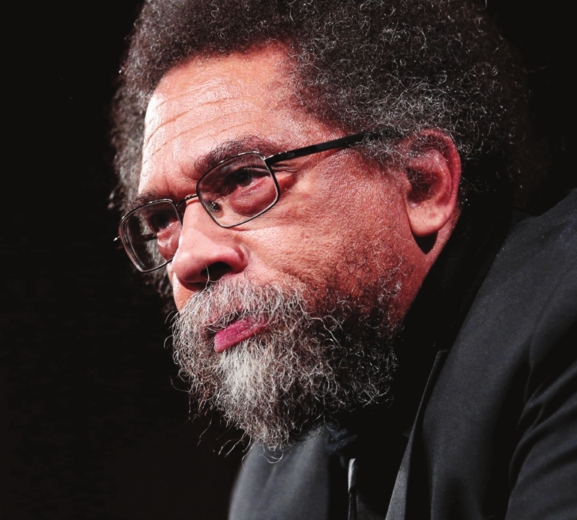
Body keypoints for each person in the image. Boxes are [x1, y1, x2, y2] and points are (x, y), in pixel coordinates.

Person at [111, 1, 576, 518]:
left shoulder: (564, 311)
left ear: (421, 182)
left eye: (244, 178)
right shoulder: (271, 483)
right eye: (163, 220)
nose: (188, 260)